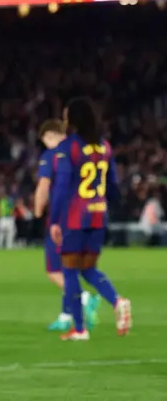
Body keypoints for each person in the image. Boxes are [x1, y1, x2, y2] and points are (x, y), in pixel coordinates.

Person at [49, 98, 132, 340]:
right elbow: (113, 186)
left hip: (76, 217)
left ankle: (80, 328)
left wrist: (54, 220)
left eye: (66, 116)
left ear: (73, 120)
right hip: (98, 214)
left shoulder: (69, 147)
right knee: (88, 268)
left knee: (70, 271)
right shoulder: (104, 146)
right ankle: (117, 301)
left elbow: (62, 187)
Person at [34, 119, 99, 332]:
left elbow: (44, 185)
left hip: (60, 219)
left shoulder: (51, 155)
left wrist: (38, 209)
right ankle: (66, 315)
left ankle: (85, 298)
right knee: (68, 268)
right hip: (83, 217)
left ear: (50, 136)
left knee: (54, 271)